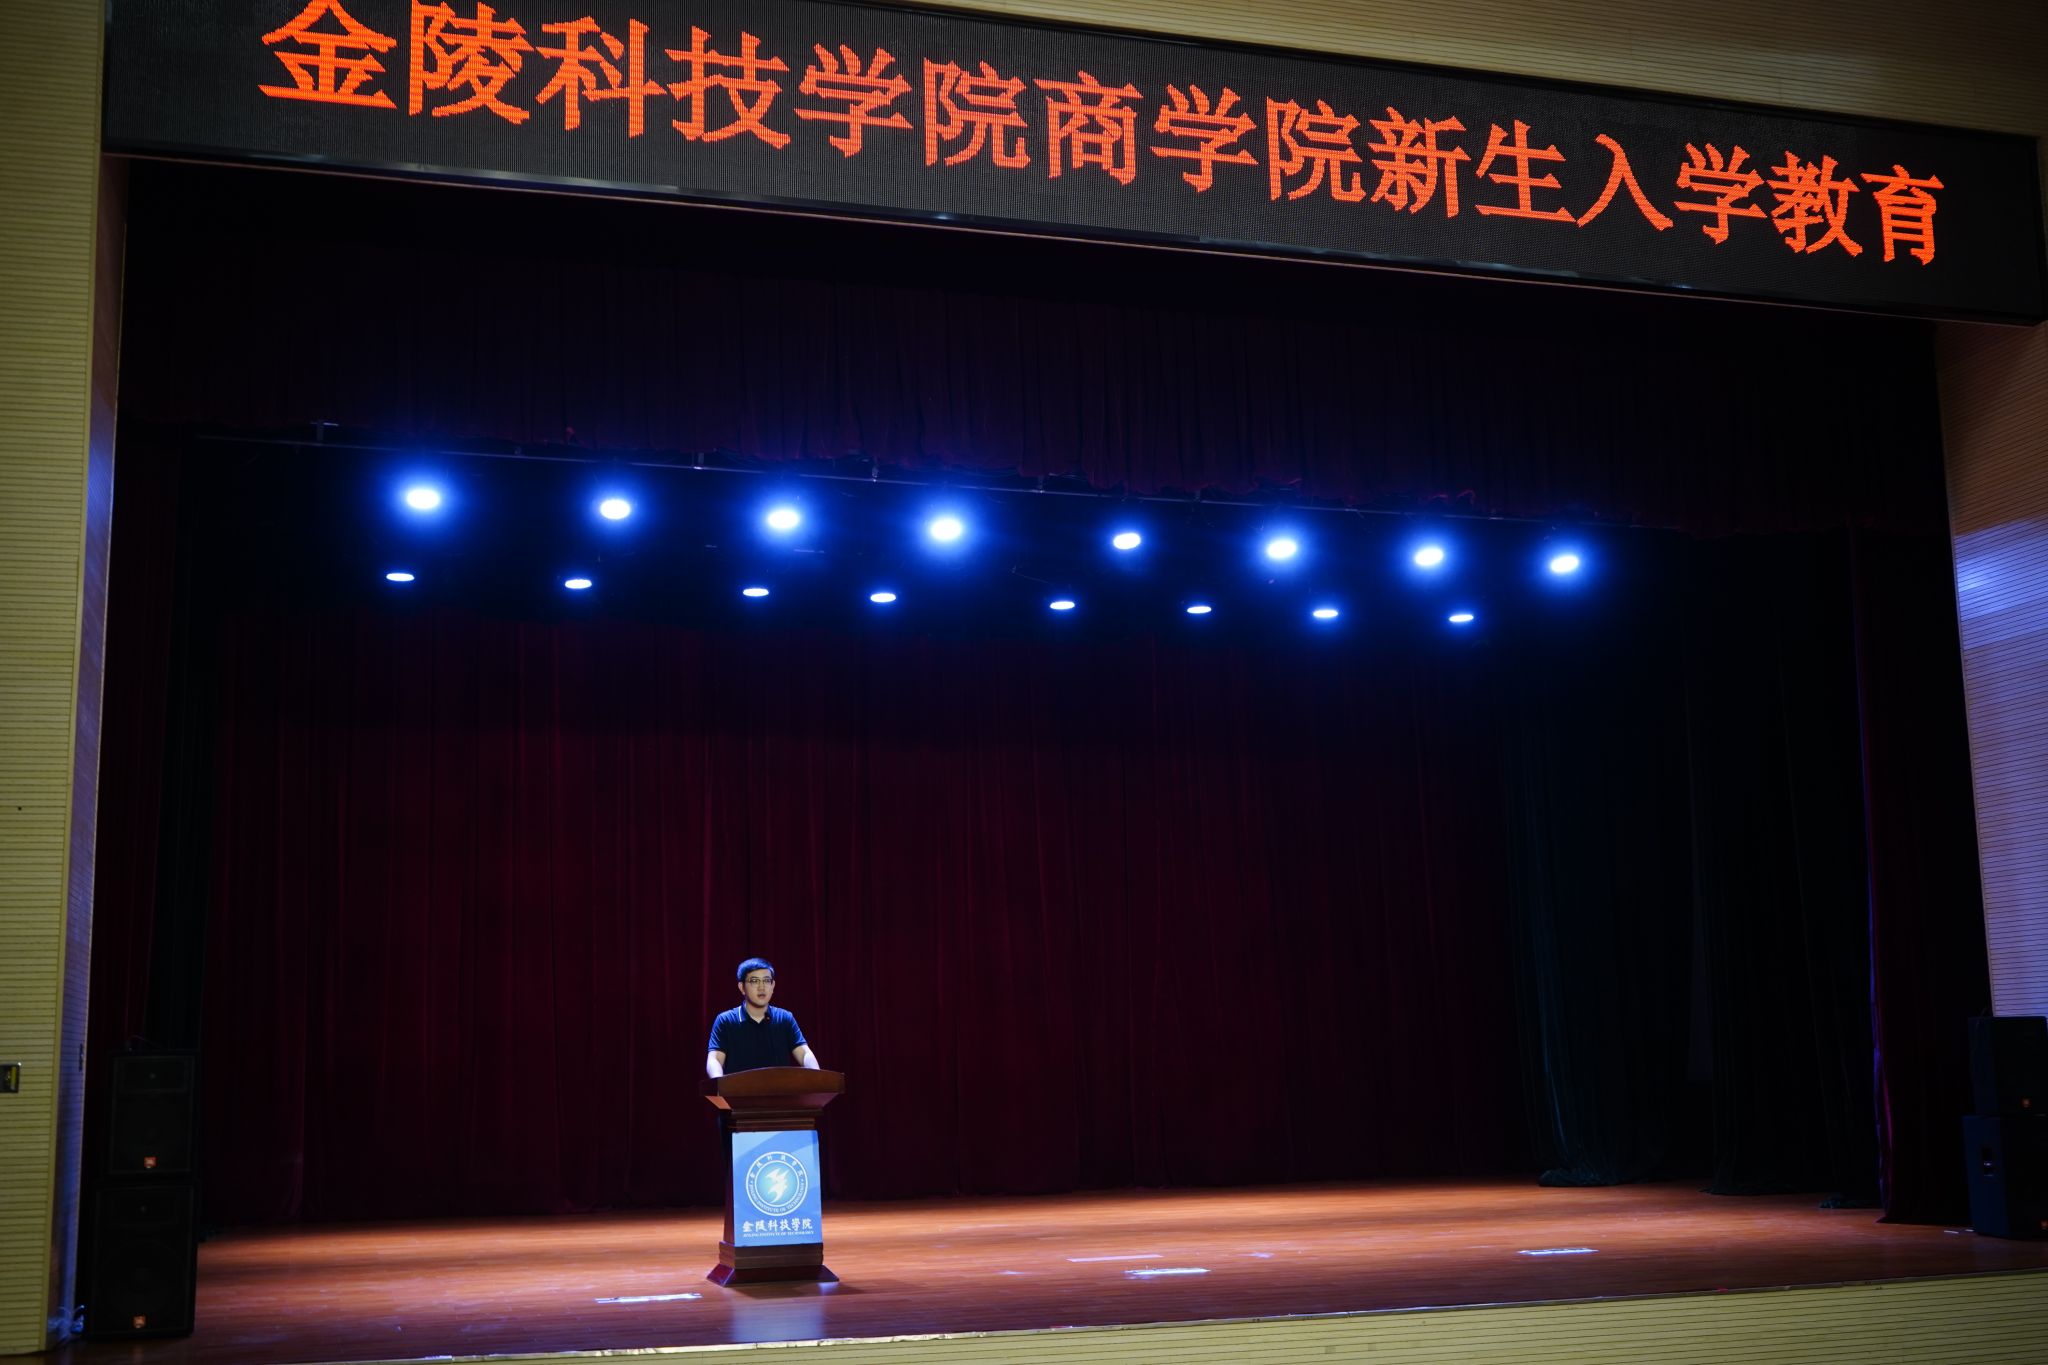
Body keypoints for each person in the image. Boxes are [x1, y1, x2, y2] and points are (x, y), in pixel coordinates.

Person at [705, 957, 821, 1078]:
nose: (762, 987)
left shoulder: (784, 1018)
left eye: (766, 981)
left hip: (779, 1089)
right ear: (742, 987)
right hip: (739, 1089)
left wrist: (818, 1077)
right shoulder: (726, 1020)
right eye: (754, 981)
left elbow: (804, 1053)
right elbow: (714, 1059)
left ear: (773, 985)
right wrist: (719, 1082)